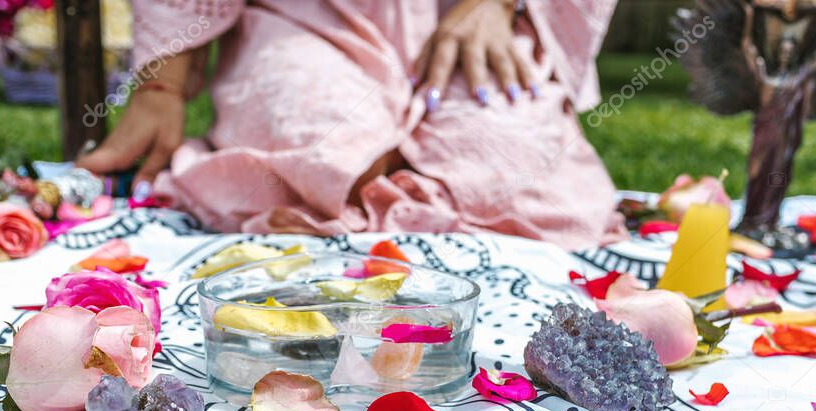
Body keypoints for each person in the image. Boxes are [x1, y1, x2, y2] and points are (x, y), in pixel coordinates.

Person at [78, 0, 626, 249]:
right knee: (323, 152)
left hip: (467, 22)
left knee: (514, 178)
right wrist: (162, 86)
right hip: (309, 20)